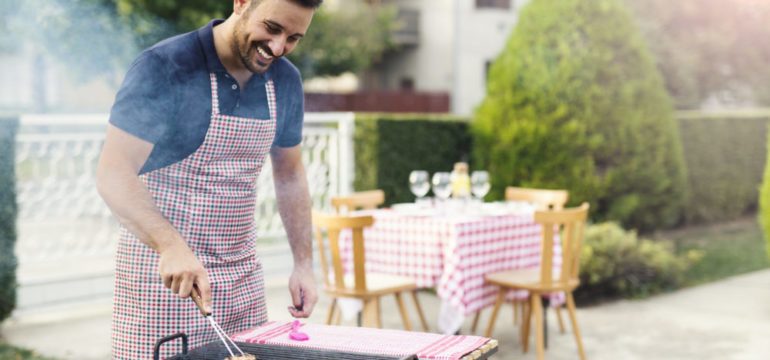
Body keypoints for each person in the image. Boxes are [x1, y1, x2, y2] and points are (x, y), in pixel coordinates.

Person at [95, 0, 322, 358]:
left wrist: (304, 265)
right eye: (273, 28)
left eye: (293, 38)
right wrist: (170, 245)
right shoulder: (166, 66)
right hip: (166, 280)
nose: (278, 48)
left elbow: (290, 174)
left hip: (243, 280)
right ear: (242, 2)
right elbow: (113, 172)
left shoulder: (285, 80)